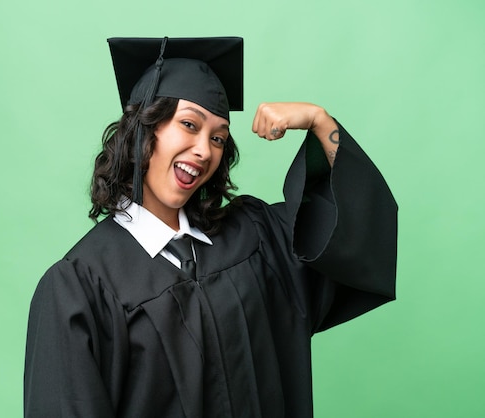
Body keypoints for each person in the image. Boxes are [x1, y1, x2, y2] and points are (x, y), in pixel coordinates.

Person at [24, 37, 397, 418]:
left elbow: (355, 235)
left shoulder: (255, 238)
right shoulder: (80, 286)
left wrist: (321, 122)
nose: (205, 150)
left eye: (217, 138)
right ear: (142, 129)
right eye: (189, 125)